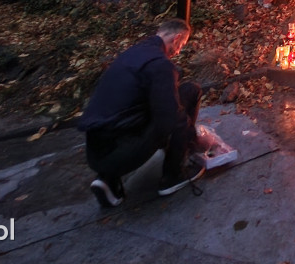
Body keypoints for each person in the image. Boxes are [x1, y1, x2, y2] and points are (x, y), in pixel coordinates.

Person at [78, 20, 204, 208]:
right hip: (121, 152)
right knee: (177, 116)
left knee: (187, 91)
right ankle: (173, 175)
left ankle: (107, 180)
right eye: (182, 46)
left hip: (96, 150)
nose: (178, 52)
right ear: (177, 38)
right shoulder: (160, 65)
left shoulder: (134, 53)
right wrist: (191, 139)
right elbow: (170, 120)